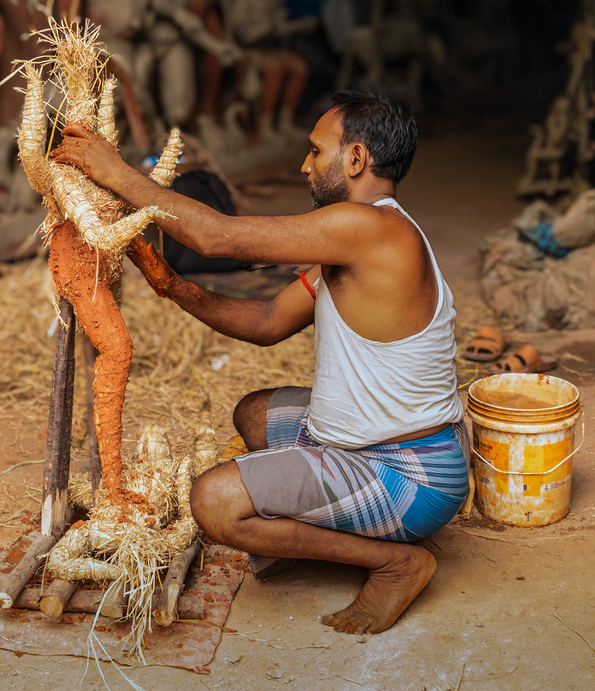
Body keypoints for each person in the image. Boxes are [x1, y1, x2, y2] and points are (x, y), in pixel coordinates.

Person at [52, 89, 469, 635]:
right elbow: (269, 322)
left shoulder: (372, 230)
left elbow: (217, 236)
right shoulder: (357, 241)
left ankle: (394, 562)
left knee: (214, 502)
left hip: (411, 473)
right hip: (378, 448)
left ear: (357, 159)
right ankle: (325, 529)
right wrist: (174, 286)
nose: (305, 164)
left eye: (316, 152)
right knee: (253, 414)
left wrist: (117, 173)